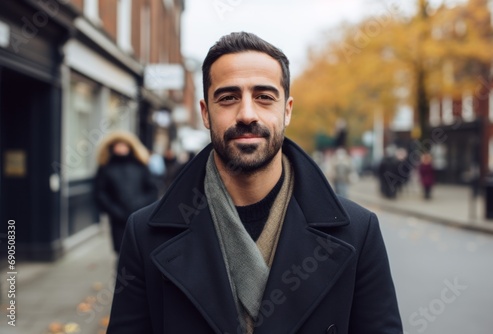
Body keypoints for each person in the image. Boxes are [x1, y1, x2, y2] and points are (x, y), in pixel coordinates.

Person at [107, 32, 402, 333]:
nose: (247, 114)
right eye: (228, 98)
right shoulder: (144, 234)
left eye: (264, 97)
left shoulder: (357, 231)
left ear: (286, 111)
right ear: (206, 113)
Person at [94, 130, 158, 254]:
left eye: (124, 144)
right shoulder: (106, 167)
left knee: (141, 250)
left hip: (140, 217)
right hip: (118, 220)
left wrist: (142, 208)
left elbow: (152, 189)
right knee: (122, 252)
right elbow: (100, 193)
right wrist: (116, 211)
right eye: (118, 145)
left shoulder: (141, 165)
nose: (121, 148)